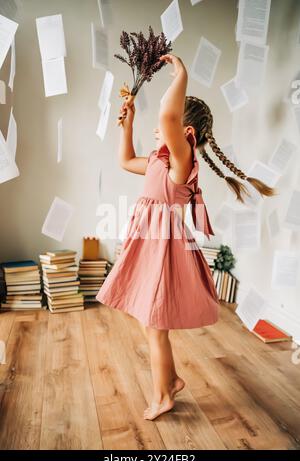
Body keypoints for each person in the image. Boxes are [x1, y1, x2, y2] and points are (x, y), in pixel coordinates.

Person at [96, 54, 277, 421]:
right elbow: (125, 159)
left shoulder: (182, 163)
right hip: (149, 242)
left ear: (185, 133)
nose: (158, 129)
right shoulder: (160, 161)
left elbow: (167, 117)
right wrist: (126, 124)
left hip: (163, 247)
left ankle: (163, 394)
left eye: (168, 126)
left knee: (155, 325)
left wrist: (182, 74)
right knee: (149, 322)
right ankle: (172, 380)